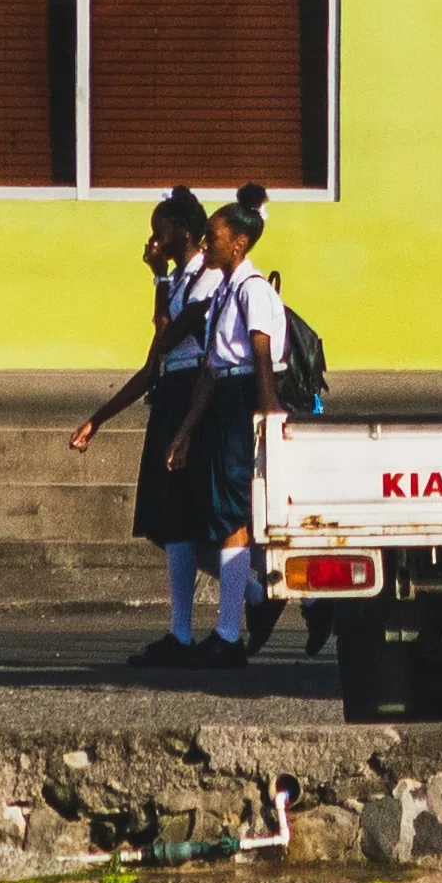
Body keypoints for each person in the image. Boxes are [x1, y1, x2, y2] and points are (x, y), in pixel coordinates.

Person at [66, 187, 227, 666]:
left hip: (196, 397)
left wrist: (158, 280)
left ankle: (195, 626)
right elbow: (152, 363)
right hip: (168, 398)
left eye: (159, 227)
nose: (153, 239)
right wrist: (99, 419)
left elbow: (170, 333)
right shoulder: (179, 282)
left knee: (184, 521)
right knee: (165, 524)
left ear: (181, 229)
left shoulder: (206, 281)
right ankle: (237, 602)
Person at [167, 199, 290, 668]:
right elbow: (211, 368)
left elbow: (258, 352)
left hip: (244, 398)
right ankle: (253, 602)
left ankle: (227, 633)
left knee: (233, 515)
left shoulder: (252, 290)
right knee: (214, 514)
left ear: (238, 243)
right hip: (222, 394)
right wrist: (185, 430)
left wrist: (265, 412)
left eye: (215, 237)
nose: (207, 243)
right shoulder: (223, 291)